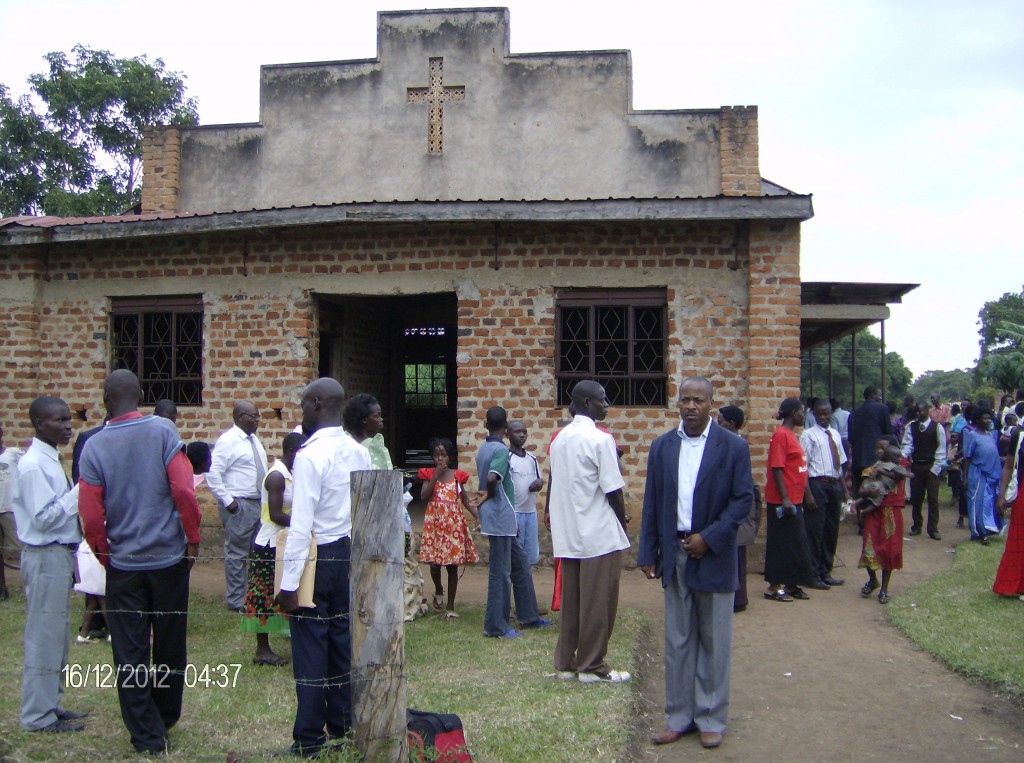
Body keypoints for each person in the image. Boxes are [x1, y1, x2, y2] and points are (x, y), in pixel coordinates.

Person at [78, 371, 201, 754]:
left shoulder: (93, 447)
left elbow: (91, 516)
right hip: (166, 559)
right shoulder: (163, 432)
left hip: (124, 565)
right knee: (168, 644)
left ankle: (146, 735)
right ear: (142, 395)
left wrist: (104, 554)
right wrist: (192, 539)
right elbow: (183, 489)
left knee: (129, 651)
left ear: (103, 400)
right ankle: (164, 717)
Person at [639, 377, 753, 750]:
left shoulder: (733, 447)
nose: (690, 406)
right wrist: (649, 552)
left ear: (711, 405)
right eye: (685, 399)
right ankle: (679, 716)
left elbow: (742, 500)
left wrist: (710, 538)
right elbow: (653, 502)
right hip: (675, 553)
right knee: (677, 639)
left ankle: (711, 717)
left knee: (714, 639)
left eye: (698, 400)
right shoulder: (662, 447)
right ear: (678, 403)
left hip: (713, 552)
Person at [276, 378, 371, 757]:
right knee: (341, 644)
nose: (301, 413)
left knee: (311, 649)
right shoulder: (356, 451)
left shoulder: (310, 454)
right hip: (347, 554)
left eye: (302, 406)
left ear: (316, 404)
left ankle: (309, 738)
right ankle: (343, 726)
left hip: (316, 556)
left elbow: (300, 526)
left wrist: (288, 583)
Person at [13, 396, 87, 733]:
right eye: (59, 421)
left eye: (68, 420)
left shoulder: (50, 460)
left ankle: (50, 705)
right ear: (39, 424)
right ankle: (37, 715)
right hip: (43, 554)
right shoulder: (32, 466)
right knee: (43, 636)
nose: (67, 426)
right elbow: (43, 518)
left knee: (57, 635)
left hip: (57, 555)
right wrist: (78, 494)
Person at [548, 382, 630, 682]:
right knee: (599, 604)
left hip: (569, 535)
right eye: (602, 400)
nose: (607, 404)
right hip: (598, 535)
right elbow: (613, 490)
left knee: (572, 603)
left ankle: (566, 663)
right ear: (586, 402)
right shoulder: (600, 440)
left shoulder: (559, 440)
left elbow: (556, 484)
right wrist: (623, 524)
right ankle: (592, 667)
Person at [343, 393, 426, 622]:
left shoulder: (378, 444)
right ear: (363, 420)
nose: (381, 419)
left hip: (392, 512)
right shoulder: (355, 449)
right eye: (376, 416)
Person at [475, 406, 548, 638]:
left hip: (504, 519)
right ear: (505, 427)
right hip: (501, 517)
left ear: (486, 425)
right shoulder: (500, 451)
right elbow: (492, 478)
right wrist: (488, 492)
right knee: (501, 572)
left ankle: (528, 615)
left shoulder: (482, 449)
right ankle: (495, 626)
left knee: (520, 564)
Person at [242, 431, 306, 667]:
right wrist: (304, 522)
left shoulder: (291, 475)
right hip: (268, 544)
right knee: (264, 596)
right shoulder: (276, 477)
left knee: (287, 590)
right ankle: (262, 649)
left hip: (284, 542)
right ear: (292, 452)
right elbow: (277, 514)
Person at [206, 400, 268, 612]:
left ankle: (253, 596)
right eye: (254, 417)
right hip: (239, 504)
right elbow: (212, 472)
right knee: (237, 554)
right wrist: (228, 501)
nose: (258, 421)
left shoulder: (253, 440)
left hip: (258, 503)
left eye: (258, 416)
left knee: (258, 552)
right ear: (240, 416)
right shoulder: (229, 441)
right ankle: (236, 600)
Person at [419, 437, 480, 620]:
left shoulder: (457, 477)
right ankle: (438, 589)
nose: (440, 459)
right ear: (432, 457)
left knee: (452, 567)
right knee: (435, 565)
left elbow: (466, 501)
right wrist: (435, 476)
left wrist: (478, 516)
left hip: (452, 526)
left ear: (449, 457)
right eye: (436, 455)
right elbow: (423, 496)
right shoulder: (428, 474)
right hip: (435, 526)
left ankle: (451, 606)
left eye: (443, 455)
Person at [763, 397, 816, 602]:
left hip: (795, 498)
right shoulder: (780, 436)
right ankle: (774, 586)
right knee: (781, 544)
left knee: (796, 543)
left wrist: (805, 494)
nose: (804, 415)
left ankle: (792, 583)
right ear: (794, 413)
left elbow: (799, 468)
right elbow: (777, 467)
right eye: (802, 412)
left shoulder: (792, 435)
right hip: (782, 501)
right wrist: (785, 498)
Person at [799, 398, 848, 588]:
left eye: (827, 413)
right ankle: (813, 574)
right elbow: (802, 466)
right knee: (815, 532)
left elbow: (840, 464)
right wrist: (808, 494)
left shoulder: (834, 434)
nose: (823, 417)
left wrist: (844, 490)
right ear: (814, 414)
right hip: (817, 484)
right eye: (819, 413)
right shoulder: (808, 435)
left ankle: (826, 571)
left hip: (834, 484)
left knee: (831, 530)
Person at [716, 406, 761, 612]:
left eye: (721, 421)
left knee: (734, 552)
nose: (718, 424)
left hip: (735, 501)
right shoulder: (732, 443)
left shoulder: (734, 445)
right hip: (735, 500)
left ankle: (736, 597)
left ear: (731, 424)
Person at [856, 435, 910, 603]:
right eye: (877, 449)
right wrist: (869, 492)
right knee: (869, 547)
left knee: (889, 550)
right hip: (875, 513)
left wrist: (882, 472)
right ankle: (873, 580)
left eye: (884, 449)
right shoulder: (872, 469)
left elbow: (901, 476)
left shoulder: (899, 470)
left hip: (891, 514)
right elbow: (861, 490)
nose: (880, 451)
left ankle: (884, 589)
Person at [901, 401, 947, 540]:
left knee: (933, 499)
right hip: (917, 466)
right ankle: (916, 526)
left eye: (920, 411)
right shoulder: (911, 427)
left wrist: (936, 468)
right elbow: (907, 445)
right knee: (916, 498)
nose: (918, 414)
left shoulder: (937, 427)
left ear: (928, 411)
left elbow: (941, 449)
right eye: (916, 411)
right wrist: (901, 455)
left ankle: (933, 529)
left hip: (932, 466)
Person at [508, 420, 544, 566]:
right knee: (514, 557)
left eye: (524, 432)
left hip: (531, 513)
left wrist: (540, 483)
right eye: (517, 432)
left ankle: (525, 586)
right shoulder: (507, 457)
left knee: (529, 557)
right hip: (514, 513)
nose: (522, 435)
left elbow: (539, 479)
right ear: (508, 434)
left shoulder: (532, 459)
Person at [963, 408, 1001, 546]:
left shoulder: (991, 435)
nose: (988, 421)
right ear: (978, 420)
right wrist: (965, 478)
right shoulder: (972, 436)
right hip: (977, 475)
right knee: (977, 503)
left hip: (991, 475)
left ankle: (989, 528)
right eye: (985, 419)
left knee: (989, 502)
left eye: (989, 418)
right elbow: (967, 458)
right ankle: (980, 532)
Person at [993, 428, 1024, 599]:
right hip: (1022, 492)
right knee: (1020, 540)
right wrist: (1001, 495)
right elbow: (1008, 466)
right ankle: (1016, 584)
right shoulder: (1019, 437)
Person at [847, 386, 893, 497]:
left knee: (860, 495)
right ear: (872, 394)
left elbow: (851, 439)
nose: (881, 397)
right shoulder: (882, 409)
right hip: (876, 461)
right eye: (879, 394)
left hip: (858, 462)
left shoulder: (853, 414)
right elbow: (888, 435)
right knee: (876, 496)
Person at [0, 422, 25, 601]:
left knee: (19, 549)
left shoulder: (13, 454)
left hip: (9, 509)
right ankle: (2, 588)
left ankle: (29, 584)